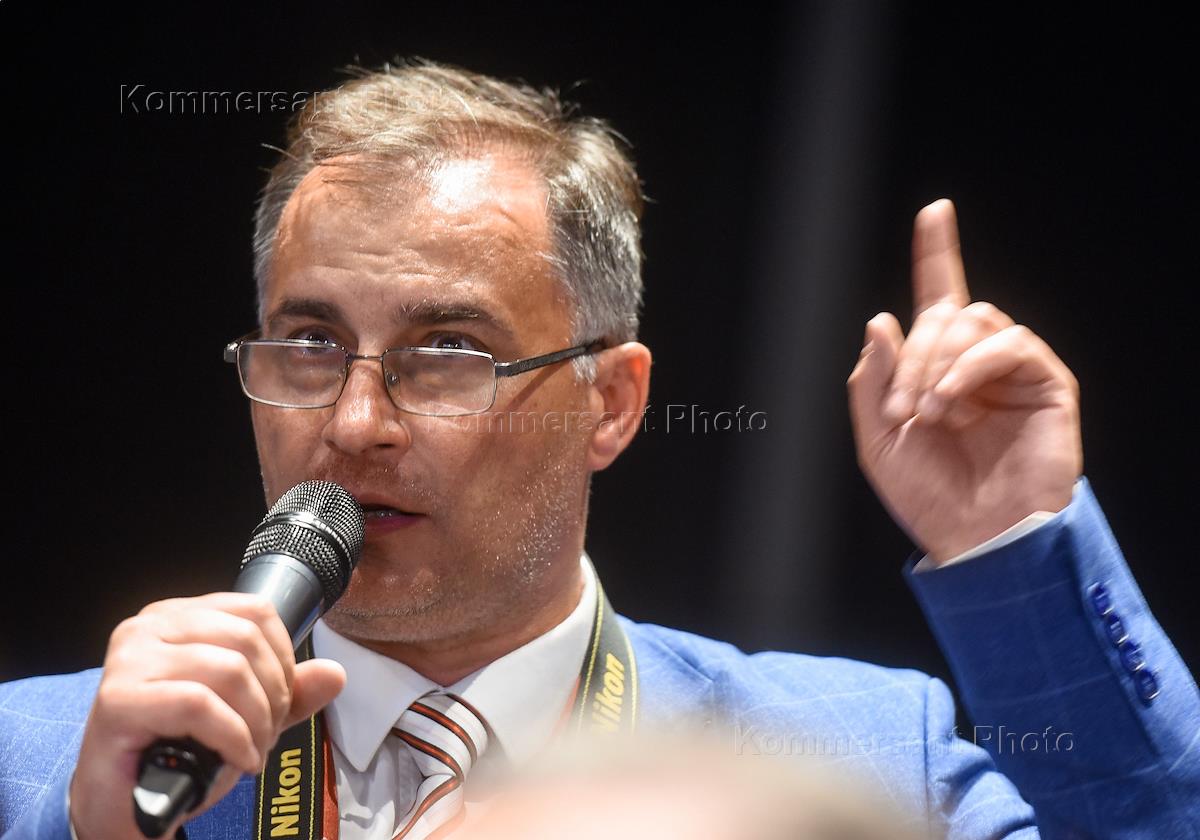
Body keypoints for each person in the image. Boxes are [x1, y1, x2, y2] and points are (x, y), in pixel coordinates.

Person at [2, 59, 1197, 840]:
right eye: (312, 344)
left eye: (449, 350)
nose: (356, 423)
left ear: (612, 404)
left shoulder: (865, 767)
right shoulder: (37, 772)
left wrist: (1016, 550)